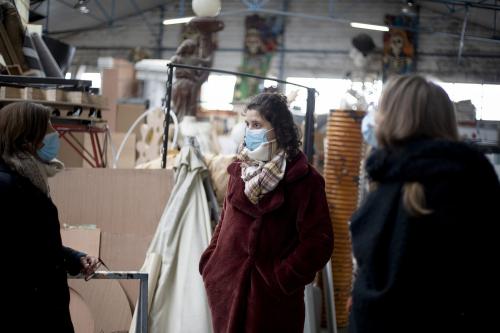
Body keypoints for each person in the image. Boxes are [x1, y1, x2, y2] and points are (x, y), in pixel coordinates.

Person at [349, 75, 500, 333]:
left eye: (380, 109)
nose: (375, 117)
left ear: (394, 117)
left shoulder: (390, 176)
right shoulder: (470, 175)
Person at [199, 93, 333, 332]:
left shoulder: (305, 180)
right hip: (226, 290)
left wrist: (282, 278)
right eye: (248, 124)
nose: (250, 131)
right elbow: (224, 219)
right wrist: (211, 262)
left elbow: (318, 242)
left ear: (278, 130)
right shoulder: (239, 171)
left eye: (257, 125)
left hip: (273, 302)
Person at [0, 102, 100, 332]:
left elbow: (32, 243)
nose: (55, 134)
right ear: (27, 138)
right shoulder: (6, 186)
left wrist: (73, 258)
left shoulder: (27, 180)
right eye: (48, 128)